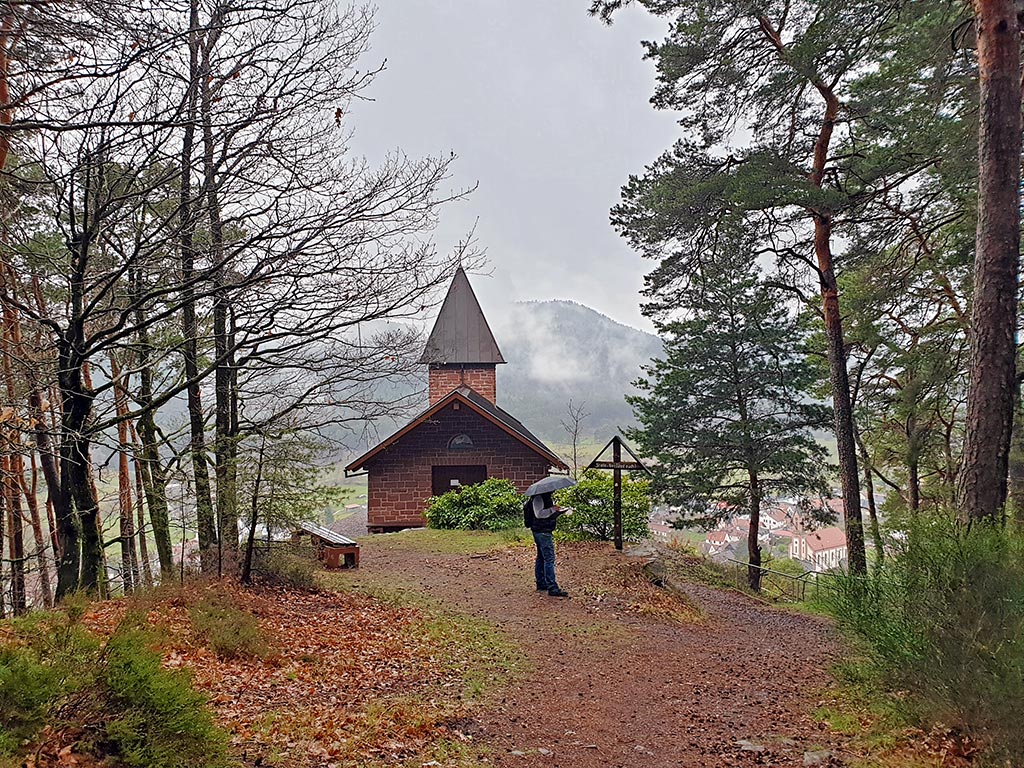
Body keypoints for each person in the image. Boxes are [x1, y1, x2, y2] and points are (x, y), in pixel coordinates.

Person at [523, 492, 569, 597]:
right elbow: (539, 514)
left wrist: (557, 511)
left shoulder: (544, 496)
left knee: (541, 557)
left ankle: (541, 583)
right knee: (549, 558)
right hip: (542, 531)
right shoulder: (538, 498)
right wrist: (553, 509)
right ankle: (552, 587)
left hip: (541, 530)